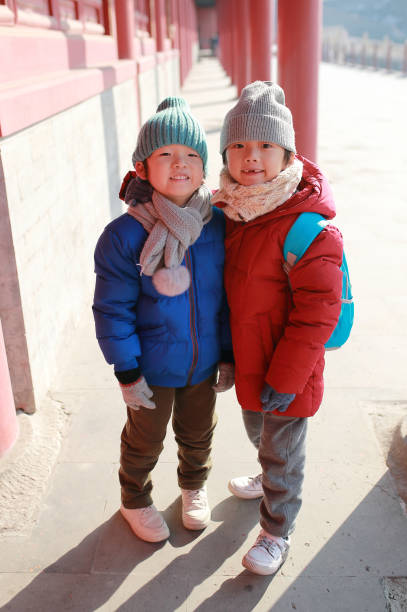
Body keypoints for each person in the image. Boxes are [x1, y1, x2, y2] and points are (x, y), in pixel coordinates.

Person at [212, 81, 343, 575]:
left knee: (283, 452)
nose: (252, 156)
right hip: (248, 358)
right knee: (258, 431)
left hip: (289, 368)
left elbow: (318, 311)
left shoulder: (306, 225)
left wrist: (286, 379)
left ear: (287, 153)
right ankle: (266, 473)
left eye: (266, 145)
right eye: (240, 145)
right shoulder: (231, 209)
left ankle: (276, 530)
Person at [92, 97, 234, 544]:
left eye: (192, 154)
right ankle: (134, 497)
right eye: (166, 154)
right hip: (150, 366)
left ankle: (193, 486)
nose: (180, 164)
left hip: (203, 361)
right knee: (144, 439)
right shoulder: (125, 235)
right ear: (142, 167)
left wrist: (228, 353)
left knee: (198, 431)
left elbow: (228, 298)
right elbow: (111, 307)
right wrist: (127, 369)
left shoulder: (217, 224)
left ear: (205, 167)